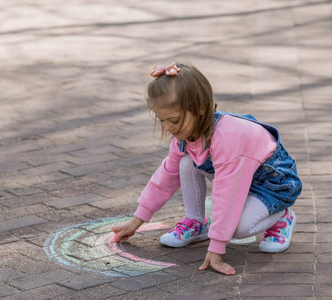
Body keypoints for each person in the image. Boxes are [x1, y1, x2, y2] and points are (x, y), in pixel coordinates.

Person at [111, 63, 302, 275]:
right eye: (161, 120)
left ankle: (282, 216)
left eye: (173, 120)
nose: (167, 127)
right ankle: (196, 222)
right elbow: (167, 175)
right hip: (243, 177)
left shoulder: (226, 140)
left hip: (274, 184)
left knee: (238, 230)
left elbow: (227, 194)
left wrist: (217, 247)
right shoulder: (185, 136)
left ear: (199, 109)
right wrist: (138, 219)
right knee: (186, 162)